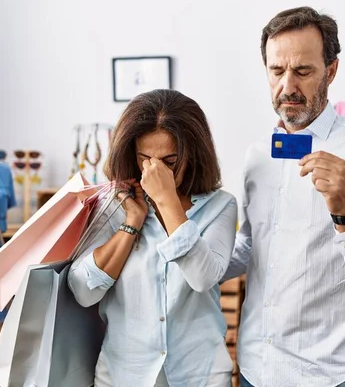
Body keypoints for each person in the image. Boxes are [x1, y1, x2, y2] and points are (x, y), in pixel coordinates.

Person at [222, 7, 345, 386]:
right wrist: (186, 245)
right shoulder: (258, 154)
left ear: (331, 70)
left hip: (329, 376)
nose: (288, 86)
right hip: (255, 370)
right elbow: (250, 248)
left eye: (303, 71)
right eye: (277, 71)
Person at [69, 89, 237, 387]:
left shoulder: (220, 205)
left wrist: (167, 201)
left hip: (198, 374)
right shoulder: (115, 204)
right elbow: (83, 290)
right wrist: (131, 224)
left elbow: (203, 277)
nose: (155, 170)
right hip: (123, 374)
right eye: (144, 158)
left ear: (193, 155)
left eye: (169, 161)